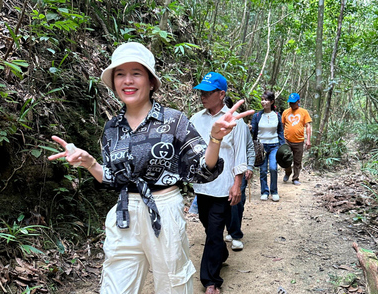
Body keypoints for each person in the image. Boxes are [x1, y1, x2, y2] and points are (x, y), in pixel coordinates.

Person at [47, 42, 253, 294]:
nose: (127, 80)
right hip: (125, 213)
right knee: (115, 287)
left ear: (151, 81)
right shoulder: (112, 128)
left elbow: (201, 169)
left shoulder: (174, 120)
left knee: (173, 285)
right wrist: (90, 163)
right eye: (120, 74)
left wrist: (215, 139)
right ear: (113, 83)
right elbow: (112, 179)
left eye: (136, 73)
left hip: (164, 208)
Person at [190, 73, 249, 294]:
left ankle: (211, 281)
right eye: (201, 91)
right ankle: (221, 254)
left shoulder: (236, 121)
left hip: (224, 187)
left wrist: (237, 184)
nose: (202, 95)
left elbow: (240, 154)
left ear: (221, 94)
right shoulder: (196, 119)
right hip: (202, 187)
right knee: (210, 229)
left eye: (207, 92)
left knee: (214, 232)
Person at [224, 96, 255, 251]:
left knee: (237, 202)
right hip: (220, 171)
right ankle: (231, 230)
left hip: (239, 170)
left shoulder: (240, 125)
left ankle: (235, 234)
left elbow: (249, 147)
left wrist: (249, 167)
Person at [251, 90, 285, 201]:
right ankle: (264, 191)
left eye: (265, 100)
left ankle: (274, 191)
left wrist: (283, 146)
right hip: (261, 146)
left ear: (271, 102)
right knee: (263, 170)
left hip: (274, 145)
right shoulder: (257, 115)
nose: (263, 102)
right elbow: (254, 131)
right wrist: (250, 129)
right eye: (262, 99)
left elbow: (280, 131)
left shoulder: (277, 115)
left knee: (273, 168)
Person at [281, 92, 312, 185]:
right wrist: (281, 138)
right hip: (287, 140)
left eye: (294, 102)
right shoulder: (285, 112)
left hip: (299, 141)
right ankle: (288, 172)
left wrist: (308, 140)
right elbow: (282, 126)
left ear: (298, 101)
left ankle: (295, 178)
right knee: (285, 158)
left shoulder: (304, 112)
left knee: (297, 161)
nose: (292, 104)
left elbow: (308, 126)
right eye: (290, 102)